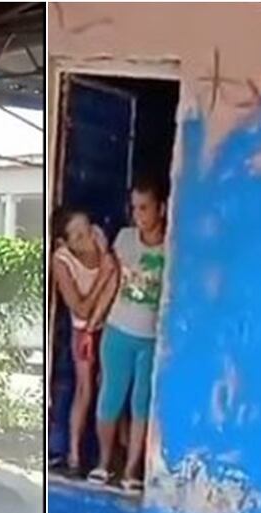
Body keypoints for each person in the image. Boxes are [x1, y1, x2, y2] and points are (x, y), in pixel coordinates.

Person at [88, 177, 168, 494]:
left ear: (161, 208)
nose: (139, 215)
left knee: (141, 405)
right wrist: (93, 323)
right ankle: (104, 463)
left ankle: (132, 470)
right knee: (110, 399)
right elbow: (111, 284)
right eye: (135, 208)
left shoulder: (171, 245)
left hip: (150, 339)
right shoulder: (124, 239)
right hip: (118, 330)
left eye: (145, 207)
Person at [50, 209, 116, 475]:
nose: (87, 238)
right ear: (64, 242)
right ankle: (74, 456)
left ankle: (108, 459)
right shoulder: (61, 261)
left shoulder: (99, 236)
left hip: (109, 321)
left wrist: (107, 275)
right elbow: (79, 309)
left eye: (87, 229)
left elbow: (115, 279)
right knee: (84, 388)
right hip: (82, 329)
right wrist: (103, 276)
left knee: (109, 387)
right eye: (77, 236)